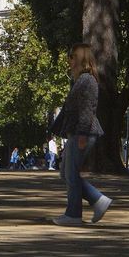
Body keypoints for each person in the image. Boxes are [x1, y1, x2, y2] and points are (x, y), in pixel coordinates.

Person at [49, 44, 110, 226]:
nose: (69, 61)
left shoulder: (86, 80)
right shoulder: (82, 80)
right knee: (67, 173)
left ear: (81, 58)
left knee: (71, 174)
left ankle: (74, 214)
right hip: (78, 132)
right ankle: (97, 200)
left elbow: (87, 110)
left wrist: (82, 134)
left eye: (72, 56)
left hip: (82, 132)